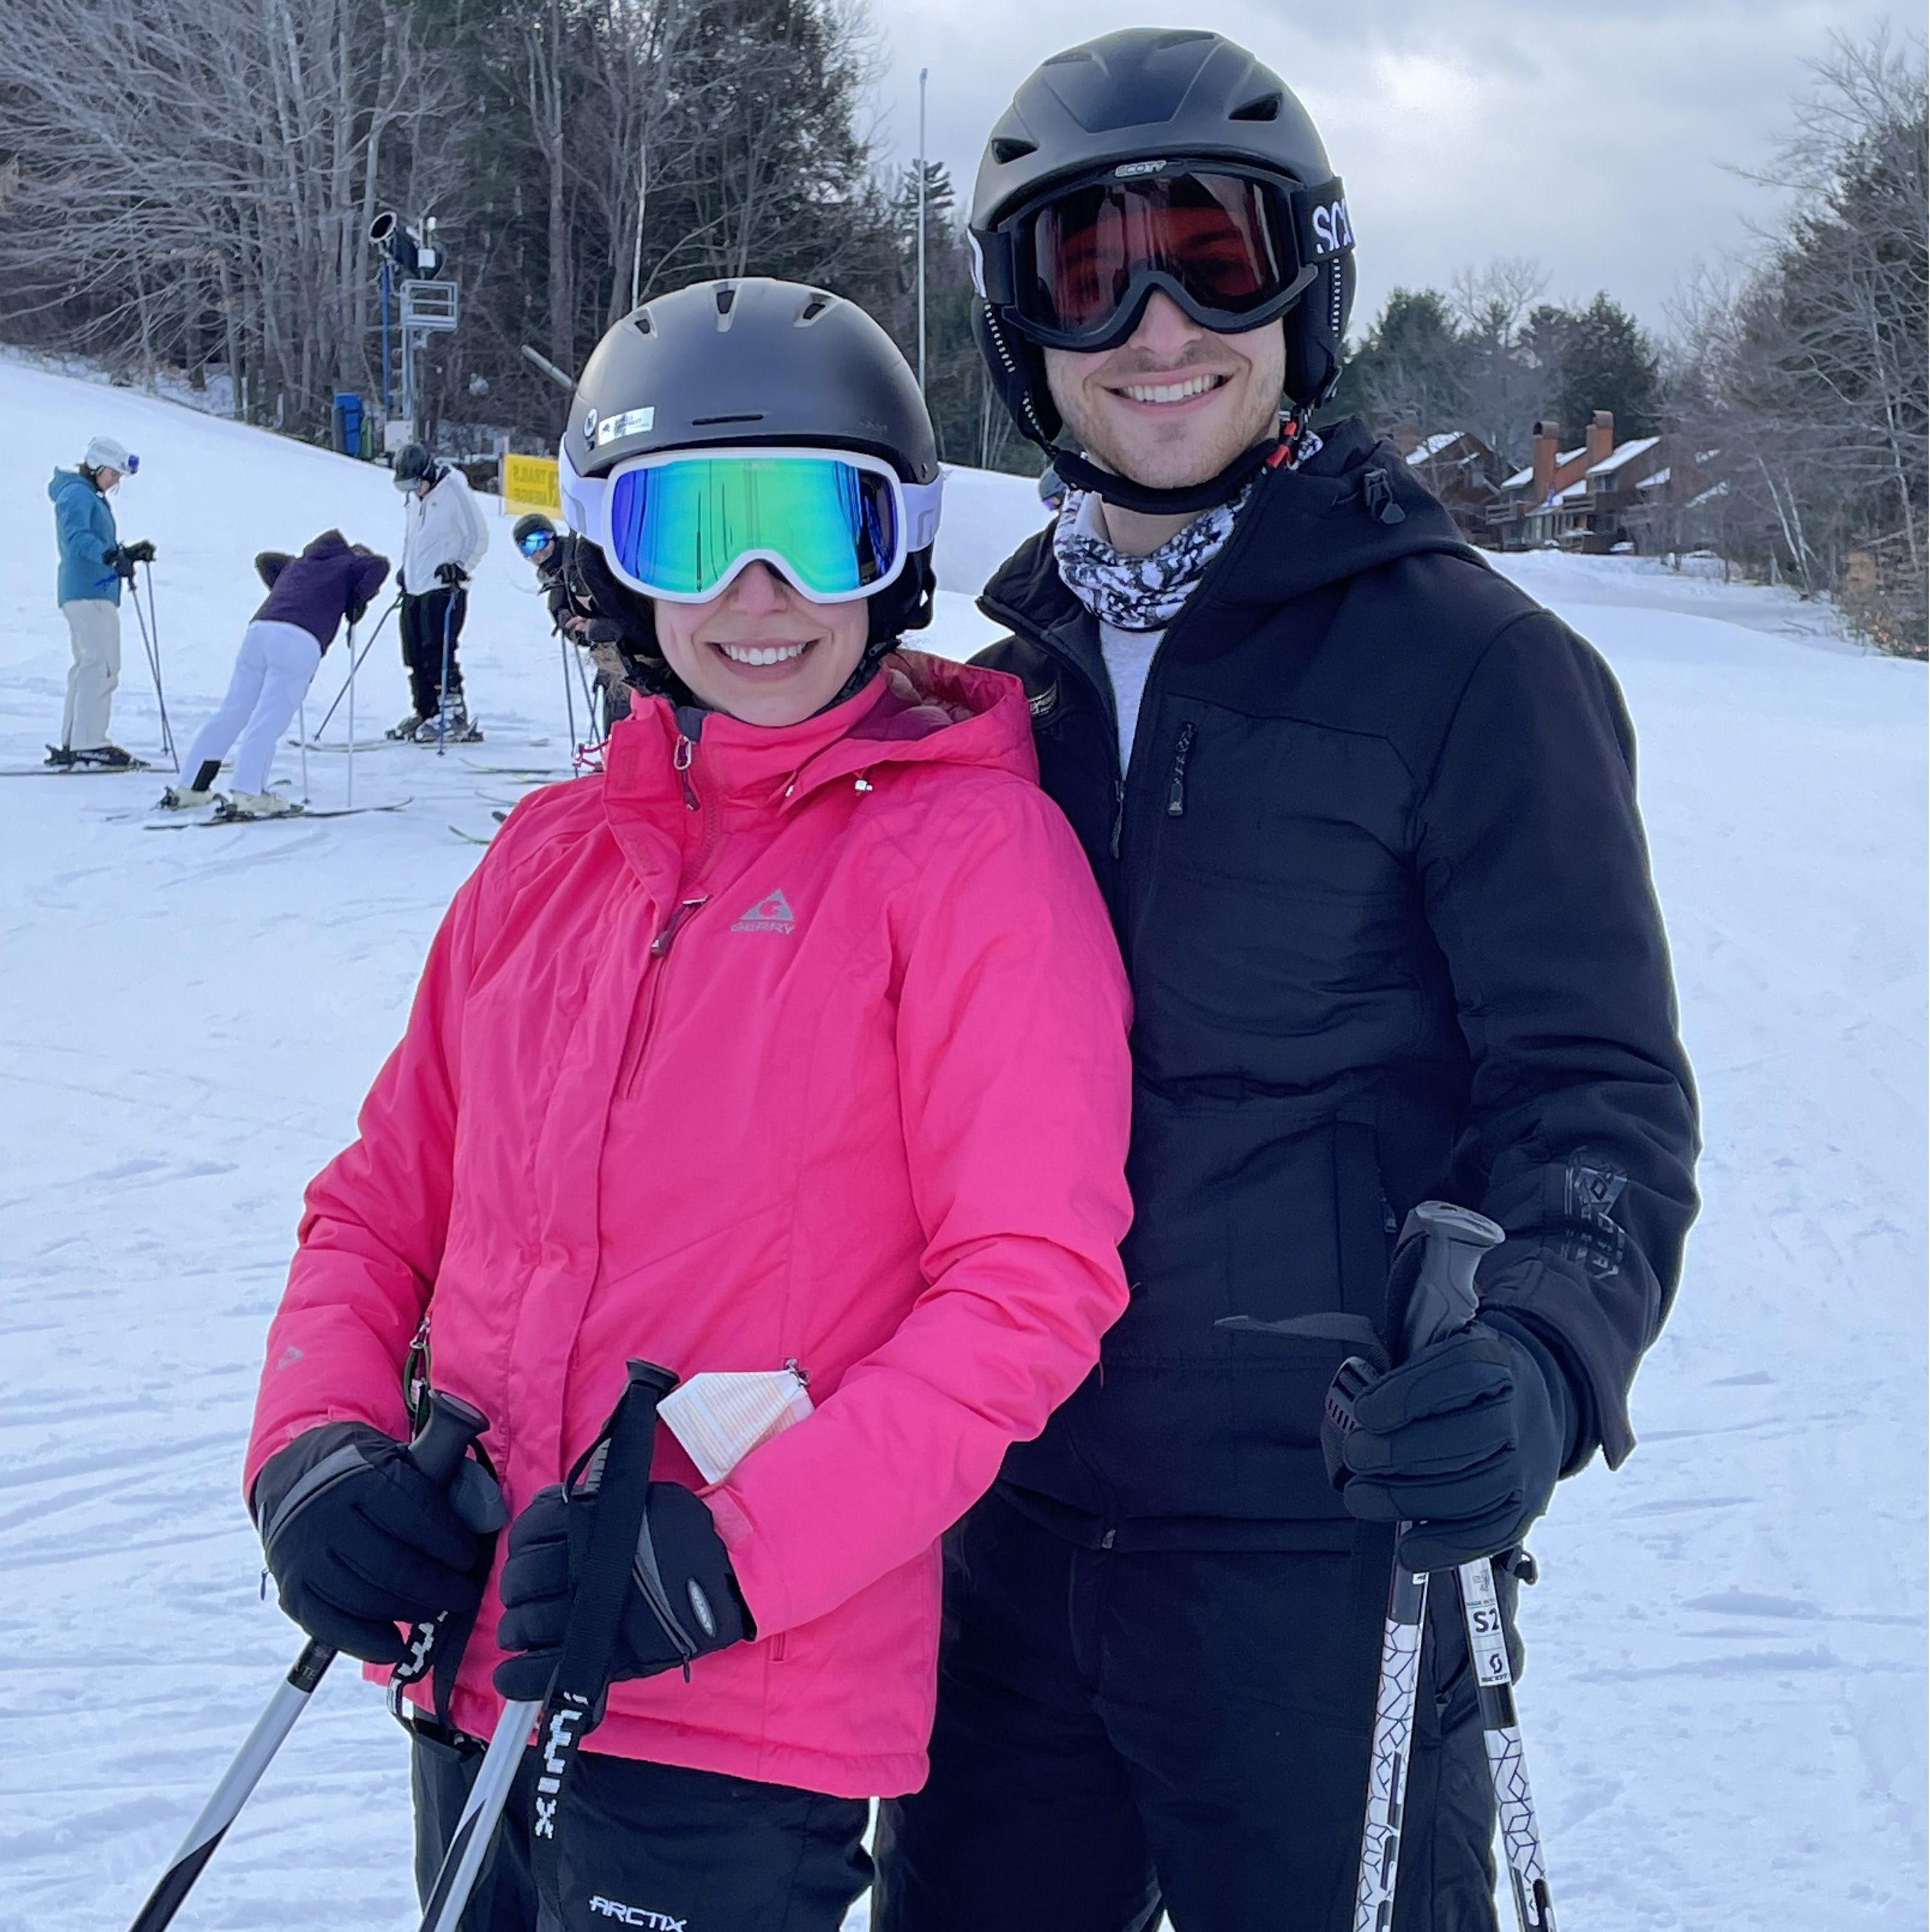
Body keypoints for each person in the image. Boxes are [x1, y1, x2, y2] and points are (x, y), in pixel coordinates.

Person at [875, 30, 1701, 1932]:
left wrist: (1536, 1349)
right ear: (1021, 333)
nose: (1154, 323)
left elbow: (1591, 1098)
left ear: (1304, 283)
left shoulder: (1474, 672)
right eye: (1083, 272)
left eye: (1211, 256)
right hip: (1000, 1534)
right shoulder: (996, 700)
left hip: (1315, 1554)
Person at [243, 277, 1134, 1932]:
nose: (757, 593)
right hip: (480, 1646)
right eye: (689, 528)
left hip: (740, 1711)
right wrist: (311, 1448)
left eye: (812, 522)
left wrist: (730, 1556)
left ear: (896, 544)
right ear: (607, 557)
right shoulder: (547, 858)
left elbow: (1027, 1290)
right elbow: (381, 1202)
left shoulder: (969, 863)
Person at [162, 531, 391, 818]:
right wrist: (357, 598)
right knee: (269, 717)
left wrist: (287, 587)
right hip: (300, 639)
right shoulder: (350, 564)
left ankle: (191, 787)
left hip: (261, 630)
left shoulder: (302, 563)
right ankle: (249, 793)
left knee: (233, 710)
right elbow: (379, 566)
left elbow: (265, 560)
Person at [45, 435, 155, 769]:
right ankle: (89, 742)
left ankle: (75, 740)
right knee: (102, 664)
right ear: (96, 466)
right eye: (113, 474)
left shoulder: (86, 493)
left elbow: (96, 543)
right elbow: (77, 537)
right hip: (87, 592)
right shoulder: (77, 494)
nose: (116, 481)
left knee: (88, 665)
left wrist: (125, 554)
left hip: (91, 590)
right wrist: (109, 555)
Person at [390, 441, 488, 743]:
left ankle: (454, 713)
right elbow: (414, 539)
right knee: (413, 653)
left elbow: (478, 535)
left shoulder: (453, 489)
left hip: (445, 588)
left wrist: (460, 565)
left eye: (416, 483)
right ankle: (426, 710)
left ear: (428, 474)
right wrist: (406, 569)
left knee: (438, 651)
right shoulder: (415, 500)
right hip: (415, 587)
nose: (414, 490)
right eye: (407, 486)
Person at [513, 510, 632, 733]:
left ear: (552, 536)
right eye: (527, 547)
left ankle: (624, 753)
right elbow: (574, 630)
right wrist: (580, 631)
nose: (537, 551)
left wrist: (596, 625)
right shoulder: (557, 582)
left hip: (623, 647)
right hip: (609, 651)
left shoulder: (578, 559)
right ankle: (617, 750)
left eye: (540, 540)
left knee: (624, 701)